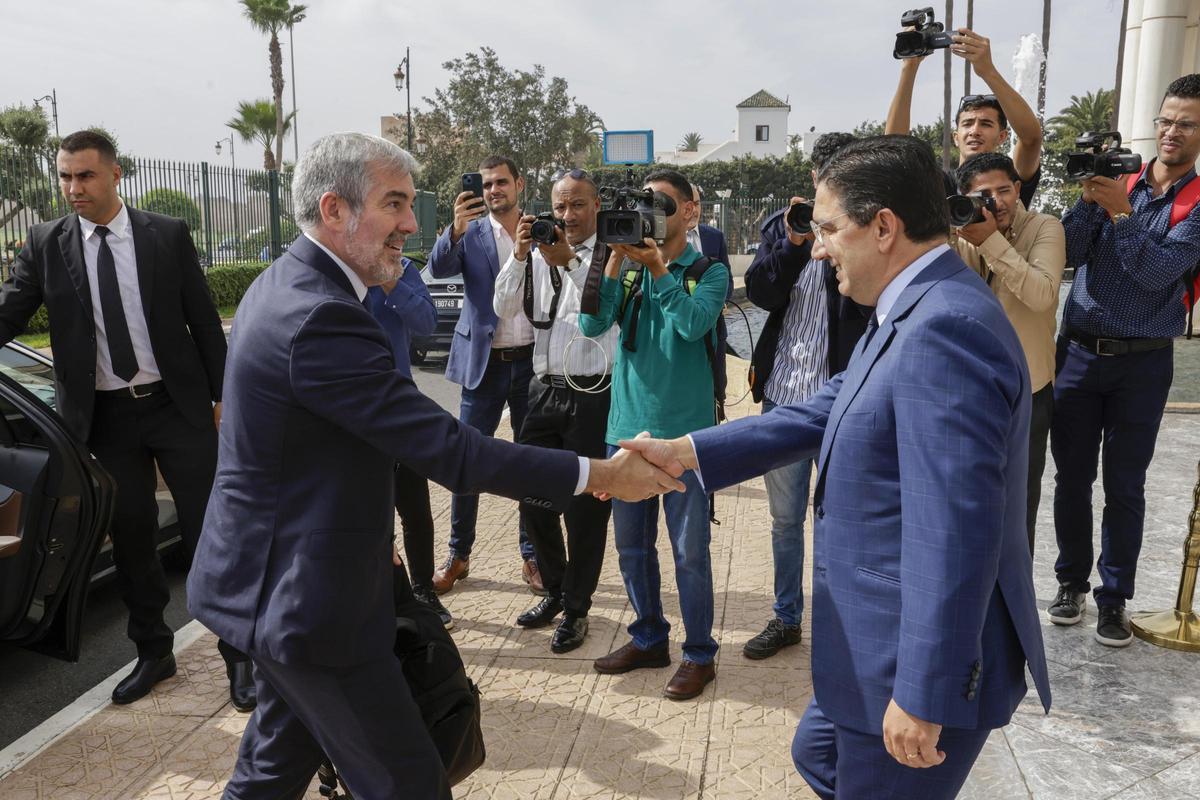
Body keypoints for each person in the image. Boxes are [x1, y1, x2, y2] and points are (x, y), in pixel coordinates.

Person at [186, 132, 683, 799]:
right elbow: (452, 452)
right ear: (335, 210)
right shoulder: (321, 317)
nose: (412, 225)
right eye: (395, 204)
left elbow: (310, 451)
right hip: (311, 608)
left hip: (278, 586)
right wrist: (601, 475)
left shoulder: (283, 282)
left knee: (268, 775)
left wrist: (367, 537)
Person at [621, 135, 1051, 799]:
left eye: (827, 228)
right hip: (868, 646)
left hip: (910, 664)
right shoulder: (912, 303)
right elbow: (825, 409)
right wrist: (689, 453)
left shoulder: (946, 328)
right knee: (818, 757)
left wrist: (924, 691)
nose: (817, 247)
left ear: (884, 227)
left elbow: (959, 529)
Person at [0, 130, 253, 710]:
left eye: (85, 176)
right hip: (104, 419)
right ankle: (153, 652)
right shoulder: (45, 243)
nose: (72, 188)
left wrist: (224, 398)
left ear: (117, 174)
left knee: (212, 532)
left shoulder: (165, 234)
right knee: (135, 535)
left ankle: (240, 656)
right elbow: (10, 311)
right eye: (65, 176)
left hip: (177, 407)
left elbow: (203, 323)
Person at [1048, 74, 1200, 647]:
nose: (1171, 132)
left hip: (1143, 364)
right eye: (1166, 120)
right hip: (1080, 353)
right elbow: (1069, 252)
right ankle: (1071, 583)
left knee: (1126, 486)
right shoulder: (1121, 179)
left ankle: (1114, 599)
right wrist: (1094, 198)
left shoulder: (1197, 203)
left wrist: (1121, 214)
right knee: (1071, 477)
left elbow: (1157, 272)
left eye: (1186, 123)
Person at [580, 168, 729, 701]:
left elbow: (693, 325)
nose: (653, 212)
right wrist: (614, 260)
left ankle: (699, 654)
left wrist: (659, 270)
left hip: (686, 440)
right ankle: (648, 637)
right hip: (625, 432)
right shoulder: (628, 268)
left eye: (664, 203)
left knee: (690, 552)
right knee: (632, 549)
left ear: (690, 210)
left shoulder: (709, 270)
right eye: (648, 203)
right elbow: (591, 327)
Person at [741, 131, 868, 660]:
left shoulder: (863, 232)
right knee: (785, 520)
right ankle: (786, 617)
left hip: (842, 401)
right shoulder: (783, 226)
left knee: (842, 520)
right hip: (785, 398)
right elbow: (761, 293)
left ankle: (844, 625)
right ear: (814, 179)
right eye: (825, 175)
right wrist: (793, 246)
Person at [492, 170, 618, 653]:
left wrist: (568, 263)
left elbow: (600, 309)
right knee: (532, 496)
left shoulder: (613, 253)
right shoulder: (537, 253)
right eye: (559, 208)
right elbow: (503, 308)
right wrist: (523, 255)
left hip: (592, 392)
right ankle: (554, 589)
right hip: (542, 388)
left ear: (597, 205)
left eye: (577, 206)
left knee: (585, 508)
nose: (567, 216)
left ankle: (578, 608)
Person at [428, 155, 542, 596]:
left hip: (532, 363)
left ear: (519, 184)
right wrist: (453, 228)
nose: (493, 190)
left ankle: (531, 555)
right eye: (488, 184)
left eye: (501, 183)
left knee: (531, 462)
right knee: (466, 460)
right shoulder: (470, 233)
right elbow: (437, 269)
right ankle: (458, 555)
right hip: (483, 363)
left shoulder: (539, 229)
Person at [950, 152, 1065, 552]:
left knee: (1018, 506)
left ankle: (1013, 606)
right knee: (963, 499)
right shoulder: (957, 232)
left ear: (1019, 190)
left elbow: (1041, 295)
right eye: (983, 194)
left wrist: (991, 242)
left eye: (1004, 190)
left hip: (1028, 390)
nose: (995, 202)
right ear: (964, 198)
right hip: (967, 390)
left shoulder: (1046, 227)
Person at [365, 258, 454, 629]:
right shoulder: (337, 271)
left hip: (400, 406)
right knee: (369, 512)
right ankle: (378, 594)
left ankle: (422, 590)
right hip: (352, 410)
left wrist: (391, 283)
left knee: (415, 508)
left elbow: (426, 322)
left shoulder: (400, 268)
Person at [886, 27, 1043, 208]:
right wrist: (909, 67)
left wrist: (987, 70)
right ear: (955, 137)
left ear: (1002, 136)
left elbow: (1031, 139)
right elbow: (894, 152)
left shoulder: (1008, 180)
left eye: (986, 124)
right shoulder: (941, 186)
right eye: (967, 123)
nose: (974, 131)